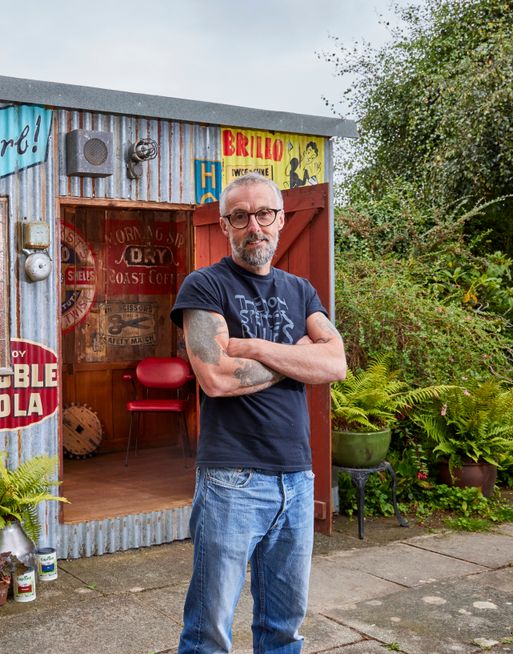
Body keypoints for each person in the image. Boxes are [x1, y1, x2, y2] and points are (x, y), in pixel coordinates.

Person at [171, 173, 346, 654]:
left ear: (281, 220)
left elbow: (335, 362)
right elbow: (218, 377)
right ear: (226, 225)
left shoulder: (300, 289)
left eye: (264, 214)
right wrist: (296, 358)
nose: (255, 226)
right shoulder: (204, 286)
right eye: (241, 216)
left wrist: (257, 348)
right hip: (232, 478)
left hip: (297, 476)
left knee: (284, 629)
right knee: (209, 631)